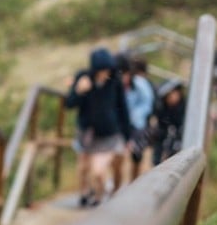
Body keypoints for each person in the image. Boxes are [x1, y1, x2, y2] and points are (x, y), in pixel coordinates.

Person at [64, 48, 131, 206]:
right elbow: (69, 104)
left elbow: (123, 109)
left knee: (98, 171)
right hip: (87, 133)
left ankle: (99, 197)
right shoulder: (83, 78)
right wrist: (79, 91)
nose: (105, 73)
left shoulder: (115, 82)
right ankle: (85, 193)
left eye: (107, 69)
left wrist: (127, 136)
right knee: (83, 167)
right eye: (102, 70)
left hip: (108, 134)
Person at [115, 53, 154, 184]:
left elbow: (147, 104)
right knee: (118, 155)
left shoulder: (140, 85)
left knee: (136, 156)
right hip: (121, 124)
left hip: (137, 125)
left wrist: (133, 116)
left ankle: (133, 184)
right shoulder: (116, 86)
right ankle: (116, 187)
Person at [150, 78, 186, 166]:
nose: (171, 99)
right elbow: (161, 129)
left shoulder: (185, 109)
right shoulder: (163, 108)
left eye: (172, 95)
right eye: (168, 97)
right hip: (165, 137)